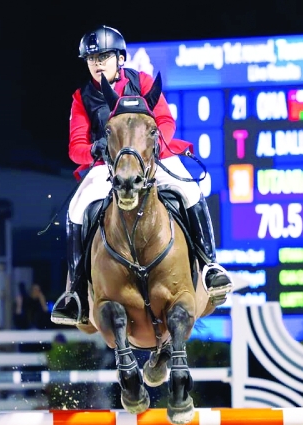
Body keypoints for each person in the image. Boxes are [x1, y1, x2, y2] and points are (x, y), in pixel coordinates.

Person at [50, 25, 231, 326]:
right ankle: (77, 294)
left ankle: (211, 268)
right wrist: (94, 150)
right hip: (107, 167)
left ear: (120, 58)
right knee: (77, 208)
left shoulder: (143, 82)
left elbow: (165, 121)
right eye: (92, 58)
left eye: (104, 56)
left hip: (152, 158)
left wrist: (153, 149)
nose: (97, 62)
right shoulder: (81, 97)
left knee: (191, 191)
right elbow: (75, 146)